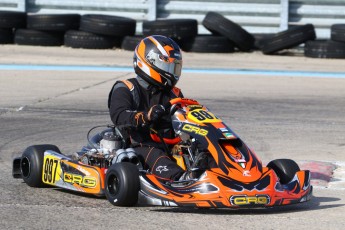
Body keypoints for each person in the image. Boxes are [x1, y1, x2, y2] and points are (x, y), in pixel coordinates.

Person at [108, 35, 186, 182]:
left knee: (203, 150)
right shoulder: (126, 88)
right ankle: (181, 179)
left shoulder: (174, 93)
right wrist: (146, 116)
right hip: (140, 146)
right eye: (169, 66)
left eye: (175, 67)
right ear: (150, 62)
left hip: (171, 144)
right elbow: (119, 115)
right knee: (155, 155)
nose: (173, 72)